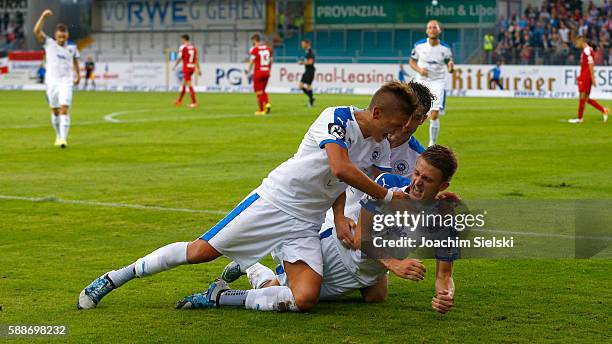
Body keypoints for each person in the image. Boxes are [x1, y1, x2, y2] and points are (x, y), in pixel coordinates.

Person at [77, 81, 428, 313]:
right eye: (396, 126)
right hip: (275, 202)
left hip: (306, 222)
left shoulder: (378, 143)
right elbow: (339, 168)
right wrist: (385, 196)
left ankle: (226, 291)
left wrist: (338, 216)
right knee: (199, 252)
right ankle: (113, 277)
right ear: (378, 113)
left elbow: (341, 183)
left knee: (304, 299)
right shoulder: (336, 118)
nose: (397, 135)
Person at [219, 145, 459, 315]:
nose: (416, 182)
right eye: (416, 173)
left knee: (376, 297)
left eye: (427, 179)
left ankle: (252, 268)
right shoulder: (387, 186)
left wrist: (445, 295)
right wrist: (395, 264)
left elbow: (444, 276)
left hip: (368, 269)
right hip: (336, 252)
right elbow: (362, 239)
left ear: (443, 185)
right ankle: (240, 280)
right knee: (287, 294)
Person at [33, 9, 80, 149]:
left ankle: (63, 139)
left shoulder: (72, 47)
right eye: (59, 37)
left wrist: (78, 74)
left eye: (64, 37)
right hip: (51, 83)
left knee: (64, 108)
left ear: (67, 35)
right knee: (55, 111)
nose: (61, 39)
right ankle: (58, 135)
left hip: (66, 82)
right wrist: (43, 16)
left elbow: (75, 61)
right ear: (56, 35)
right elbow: (36, 31)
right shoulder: (49, 43)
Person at [410, 20, 454, 147]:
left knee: (434, 114)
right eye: (429, 27)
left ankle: (431, 144)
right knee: (413, 111)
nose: (432, 29)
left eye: (435, 27)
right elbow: (412, 61)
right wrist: (419, 70)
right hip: (421, 81)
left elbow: (450, 65)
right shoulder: (419, 45)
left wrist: (451, 67)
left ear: (439, 30)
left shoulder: (445, 48)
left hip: (437, 82)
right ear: (426, 30)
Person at [569, 35, 609, 123]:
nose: (576, 44)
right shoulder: (586, 50)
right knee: (586, 98)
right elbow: (586, 65)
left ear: (581, 40)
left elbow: (591, 64)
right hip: (584, 76)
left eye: (577, 42)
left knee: (582, 97)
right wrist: (580, 75)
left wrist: (592, 78)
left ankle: (580, 118)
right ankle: (603, 110)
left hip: (586, 77)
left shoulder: (587, 50)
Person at [173, 34, 200, 108]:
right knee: (184, 84)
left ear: (184, 39)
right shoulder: (194, 48)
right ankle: (179, 101)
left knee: (189, 84)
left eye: (182, 39)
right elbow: (196, 59)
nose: (182, 41)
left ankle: (194, 102)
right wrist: (198, 69)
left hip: (186, 68)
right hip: (192, 68)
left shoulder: (183, 47)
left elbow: (180, 57)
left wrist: (175, 65)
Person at [248, 34, 272, 115]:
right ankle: (267, 104)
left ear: (255, 40)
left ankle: (261, 110)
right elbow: (271, 60)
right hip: (266, 71)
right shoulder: (268, 48)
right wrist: (269, 69)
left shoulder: (255, 49)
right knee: (263, 91)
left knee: (259, 92)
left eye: (252, 41)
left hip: (258, 72)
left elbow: (251, 62)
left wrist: (248, 72)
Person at [298, 39, 315, 107]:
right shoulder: (307, 51)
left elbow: (311, 62)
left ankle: (311, 102)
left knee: (308, 86)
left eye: (303, 43)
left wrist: (302, 62)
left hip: (310, 71)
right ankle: (311, 98)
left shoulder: (310, 52)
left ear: (307, 44)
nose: (302, 45)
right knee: (301, 85)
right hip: (307, 71)